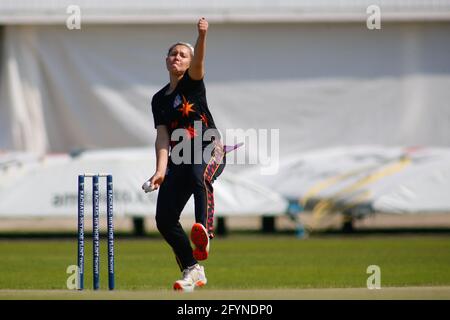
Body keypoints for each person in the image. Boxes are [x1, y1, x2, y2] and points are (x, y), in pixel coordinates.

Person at [142, 17, 225, 291]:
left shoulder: (193, 83)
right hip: (179, 158)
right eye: (173, 53)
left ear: (190, 63)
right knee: (164, 219)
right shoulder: (159, 99)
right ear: (166, 60)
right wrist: (160, 171)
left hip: (209, 148)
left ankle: (204, 234)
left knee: (196, 174)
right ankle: (193, 270)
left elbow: (200, 60)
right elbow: (163, 137)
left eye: (183, 55)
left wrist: (201, 36)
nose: (177, 57)